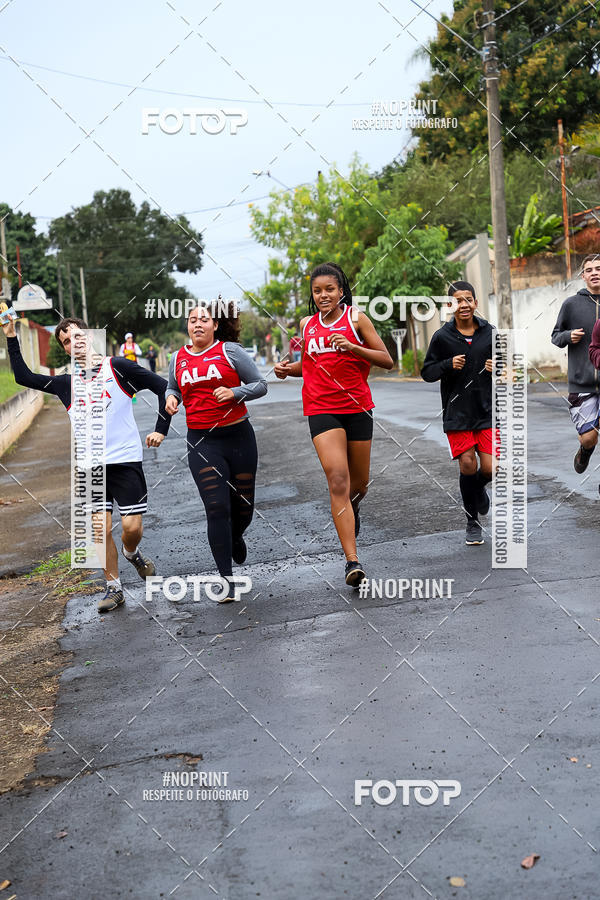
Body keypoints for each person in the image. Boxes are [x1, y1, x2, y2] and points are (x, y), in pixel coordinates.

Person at [2, 315, 171, 613]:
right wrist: (12, 335)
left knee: (131, 528)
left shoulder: (118, 368)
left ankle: (132, 553)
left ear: (89, 338)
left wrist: (161, 428)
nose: (74, 343)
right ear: (65, 349)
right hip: (91, 467)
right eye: (67, 341)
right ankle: (113, 587)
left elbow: (164, 387)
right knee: (99, 527)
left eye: (78, 336)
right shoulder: (66, 384)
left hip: (125, 460)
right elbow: (24, 378)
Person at [274, 262, 393, 587]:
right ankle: (352, 561)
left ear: (341, 290)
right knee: (338, 481)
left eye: (329, 289)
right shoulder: (306, 324)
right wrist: (288, 370)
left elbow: (387, 360)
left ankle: (353, 509)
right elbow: (309, 366)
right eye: (317, 290)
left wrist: (353, 347)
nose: (323, 295)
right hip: (321, 408)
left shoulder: (356, 319)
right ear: (312, 295)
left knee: (359, 485)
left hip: (357, 407)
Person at [166, 302, 267, 603]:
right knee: (216, 508)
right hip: (202, 442)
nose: (197, 324)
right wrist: (171, 399)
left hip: (238, 437)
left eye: (204, 320)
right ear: (188, 326)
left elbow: (260, 385)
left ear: (214, 326)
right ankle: (225, 579)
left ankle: (236, 535)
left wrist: (235, 392)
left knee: (243, 508)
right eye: (192, 320)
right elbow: (173, 388)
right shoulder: (177, 359)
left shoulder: (230, 352)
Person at [421, 281, 496, 546]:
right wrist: (446, 364)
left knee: (490, 468)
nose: (463, 305)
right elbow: (427, 372)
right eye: (457, 300)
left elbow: (509, 364)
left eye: (468, 299)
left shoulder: (490, 333)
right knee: (467, 464)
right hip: (457, 413)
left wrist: (497, 366)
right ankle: (472, 521)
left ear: (476, 303)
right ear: (449, 306)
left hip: (486, 409)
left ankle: (478, 488)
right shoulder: (442, 337)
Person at [551, 254, 600, 473]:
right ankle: (585, 450)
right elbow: (555, 336)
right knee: (589, 437)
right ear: (583, 276)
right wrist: (568, 336)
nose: (594, 273)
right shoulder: (571, 304)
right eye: (589, 270)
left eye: (598, 268)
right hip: (582, 382)